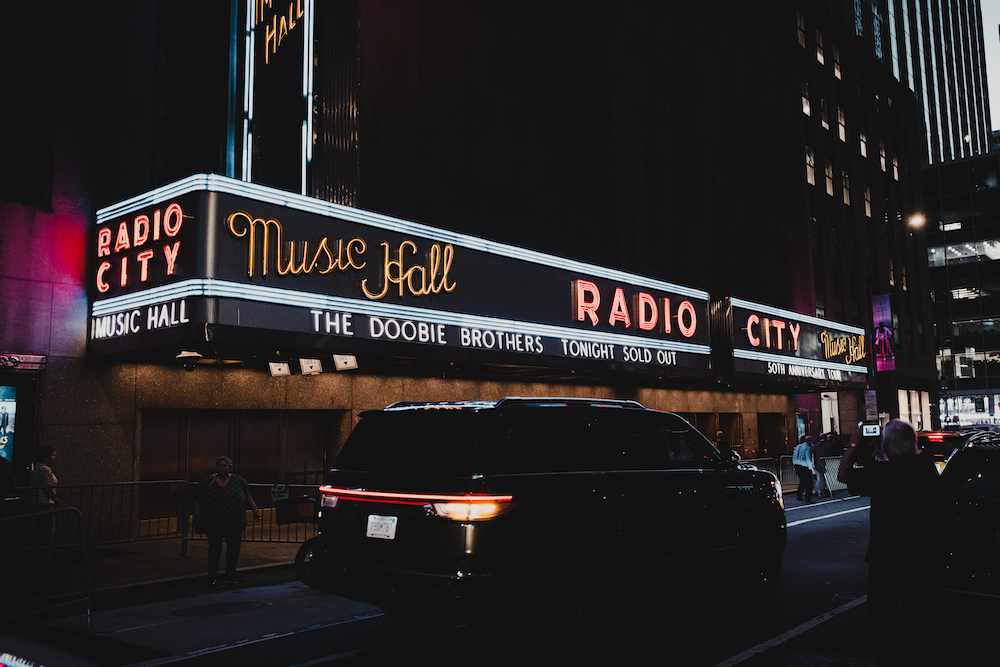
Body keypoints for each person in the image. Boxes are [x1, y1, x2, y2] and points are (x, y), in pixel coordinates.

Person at [837, 420, 940, 640]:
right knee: (922, 616)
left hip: (886, 556)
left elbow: (843, 474)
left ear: (887, 445)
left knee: (882, 618)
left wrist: (854, 445)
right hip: (920, 554)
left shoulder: (882, 471)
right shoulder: (927, 466)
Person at [193, 456, 261, 585]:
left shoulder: (239, 481)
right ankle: (212, 574)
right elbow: (197, 497)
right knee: (214, 548)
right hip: (213, 522)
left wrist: (255, 510)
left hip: (234, 521)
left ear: (230, 467)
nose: (222, 468)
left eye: (225, 466)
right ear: (216, 468)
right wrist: (197, 514)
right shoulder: (208, 481)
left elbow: (247, 495)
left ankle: (230, 573)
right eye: (220, 466)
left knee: (233, 549)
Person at [26, 447, 60, 548]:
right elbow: (47, 488)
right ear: (45, 457)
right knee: (48, 530)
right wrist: (55, 499)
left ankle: (36, 551)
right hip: (43, 503)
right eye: (52, 455)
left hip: (34, 501)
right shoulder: (45, 469)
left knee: (37, 529)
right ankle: (45, 552)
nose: (54, 458)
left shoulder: (38, 467)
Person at [792, 436, 814, 502]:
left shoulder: (798, 446)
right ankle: (808, 499)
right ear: (809, 441)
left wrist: (794, 465)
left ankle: (799, 495)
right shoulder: (807, 448)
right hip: (804, 466)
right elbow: (808, 459)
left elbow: (794, 457)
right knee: (809, 483)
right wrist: (812, 468)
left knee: (802, 481)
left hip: (797, 466)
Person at [814, 433, 834, 498]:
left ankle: (821, 491)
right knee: (828, 478)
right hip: (827, 463)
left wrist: (815, 464)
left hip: (819, 464)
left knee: (821, 478)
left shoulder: (816, 445)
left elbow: (815, 456)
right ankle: (828, 490)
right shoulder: (829, 445)